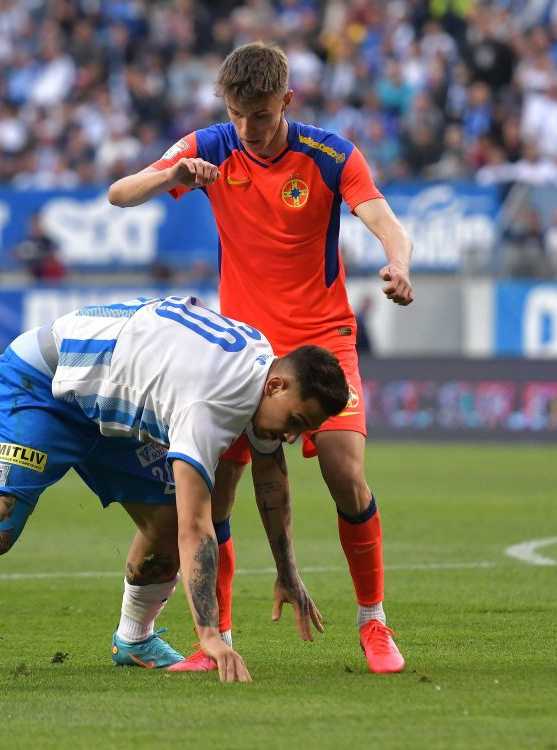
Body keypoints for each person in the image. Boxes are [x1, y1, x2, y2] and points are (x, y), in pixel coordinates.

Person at [0, 295, 349, 681]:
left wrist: (288, 572)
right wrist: (208, 634)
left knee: (161, 525)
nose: (293, 435)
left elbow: (272, 476)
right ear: (276, 384)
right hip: (45, 385)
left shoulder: (262, 363)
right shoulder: (209, 403)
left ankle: (134, 640)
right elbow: (197, 526)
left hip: (107, 410)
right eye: (296, 420)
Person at [107, 42, 414, 674]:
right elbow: (120, 193)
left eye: (265, 116)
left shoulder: (330, 156)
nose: (251, 129)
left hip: (322, 337)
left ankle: (373, 622)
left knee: (344, 469)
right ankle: (211, 636)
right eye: (240, 115)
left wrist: (398, 263)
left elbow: (384, 218)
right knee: (216, 496)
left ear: (287, 102)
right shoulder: (211, 146)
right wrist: (174, 174)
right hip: (243, 351)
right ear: (227, 106)